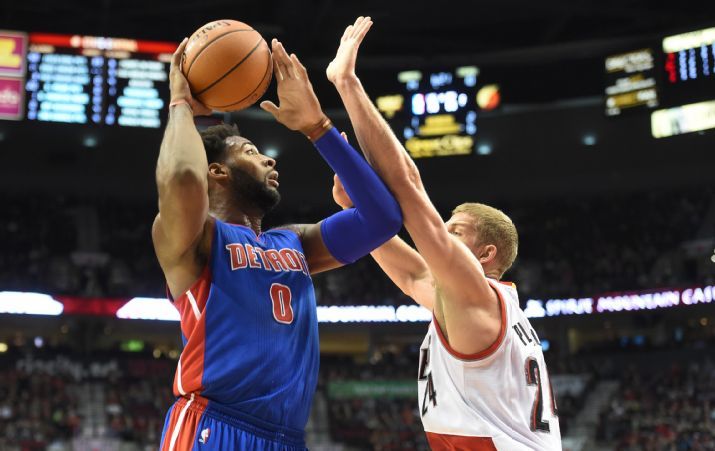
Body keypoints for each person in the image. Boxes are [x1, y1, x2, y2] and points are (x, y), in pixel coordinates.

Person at [154, 36, 402, 450]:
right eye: (250, 151)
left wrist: (316, 126)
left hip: (286, 438)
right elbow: (181, 177)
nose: (270, 159)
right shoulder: (196, 237)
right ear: (216, 171)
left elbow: (383, 219)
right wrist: (181, 104)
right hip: (213, 426)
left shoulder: (294, 243)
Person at [327, 17, 562, 450]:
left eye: (456, 230)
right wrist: (353, 208)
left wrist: (347, 85)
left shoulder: (478, 297)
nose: (442, 234)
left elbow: (409, 188)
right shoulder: (473, 303)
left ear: (487, 253)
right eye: (446, 227)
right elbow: (411, 275)